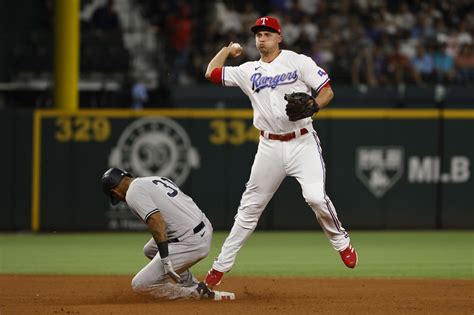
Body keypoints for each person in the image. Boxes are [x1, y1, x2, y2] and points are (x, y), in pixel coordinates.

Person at [203, 16, 358, 289]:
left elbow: (327, 91)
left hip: (302, 142)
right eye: (258, 34)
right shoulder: (248, 70)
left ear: (279, 37)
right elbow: (211, 72)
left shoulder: (298, 61)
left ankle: (341, 242)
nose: (262, 38)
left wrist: (313, 105)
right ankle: (219, 267)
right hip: (269, 147)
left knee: (315, 198)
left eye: (267, 33)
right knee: (249, 210)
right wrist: (227, 50)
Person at [100, 168, 235, 300]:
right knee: (150, 250)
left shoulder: (132, 193)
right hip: (202, 227)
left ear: (115, 192)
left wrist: (165, 258)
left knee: (139, 285)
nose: (119, 199)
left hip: (191, 242)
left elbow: (157, 221)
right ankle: (191, 283)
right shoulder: (153, 179)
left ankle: (196, 293)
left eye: (116, 197)